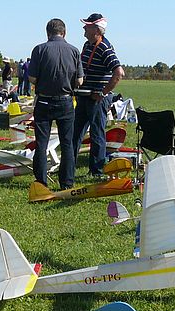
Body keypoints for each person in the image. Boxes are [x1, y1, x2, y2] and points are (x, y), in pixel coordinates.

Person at [27, 18, 84, 189]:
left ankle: (41, 182)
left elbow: (32, 78)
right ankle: (66, 183)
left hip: (44, 101)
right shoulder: (74, 51)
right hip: (66, 101)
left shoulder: (39, 50)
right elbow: (80, 80)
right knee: (67, 144)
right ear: (64, 32)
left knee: (41, 143)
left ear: (47, 33)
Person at [72, 12, 124, 178]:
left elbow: (119, 72)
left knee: (97, 134)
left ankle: (96, 171)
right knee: (75, 132)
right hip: (84, 96)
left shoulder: (104, 47)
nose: (84, 28)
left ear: (96, 29)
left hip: (97, 99)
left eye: (87, 25)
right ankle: (69, 166)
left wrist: (102, 93)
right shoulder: (87, 45)